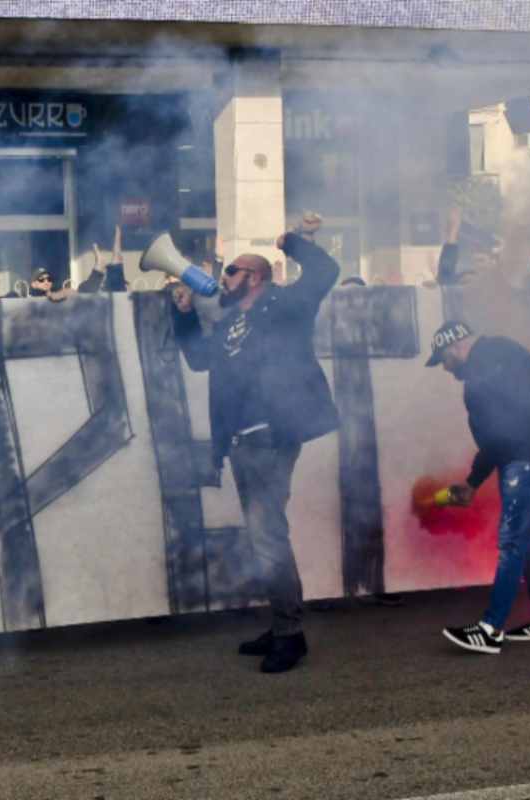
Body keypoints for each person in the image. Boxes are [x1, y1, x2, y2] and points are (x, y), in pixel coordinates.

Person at [171, 222, 340, 674]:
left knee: (269, 539)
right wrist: (184, 314)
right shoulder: (230, 322)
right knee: (264, 538)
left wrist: (293, 243)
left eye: (231, 271)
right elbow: (199, 359)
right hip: (244, 443)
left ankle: (290, 635)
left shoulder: (284, 306)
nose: (222, 279)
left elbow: (326, 270)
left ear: (257, 277)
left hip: (270, 437)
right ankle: (281, 624)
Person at [426, 320, 530, 654]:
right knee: (524, 538)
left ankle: (491, 629)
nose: (446, 369)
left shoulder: (496, 356)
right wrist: (473, 484)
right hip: (525, 455)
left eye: (444, 360)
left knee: (511, 540)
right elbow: (494, 440)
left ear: (455, 345)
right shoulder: (480, 372)